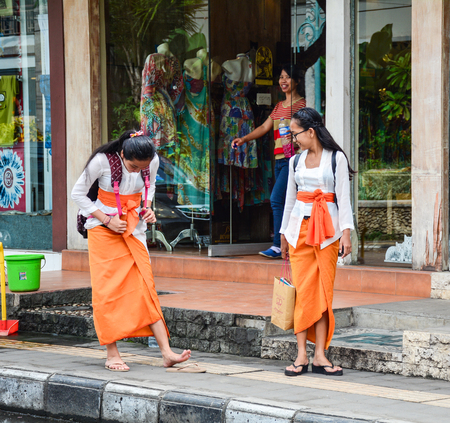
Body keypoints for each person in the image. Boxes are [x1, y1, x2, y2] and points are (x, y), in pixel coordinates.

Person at [71, 130, 192, 372]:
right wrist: (106, 220)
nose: (137, 171)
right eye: (133, 166)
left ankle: (167, 352)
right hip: (103, 229)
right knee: (108, 290)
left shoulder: (151, 161)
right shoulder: (102, 161)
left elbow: (151, 186)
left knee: (145, 285)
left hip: (133, 227)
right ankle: (111, 353)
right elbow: (78, 194)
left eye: (141, 168)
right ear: (123, 153)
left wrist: (147, 208)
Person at [280, 107, 355, 376]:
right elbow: (289, 200)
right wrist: (283, 236)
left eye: (295, 134)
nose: (293, 140)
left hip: (327, 235)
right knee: (303, 293)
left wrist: (347, 233)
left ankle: (320, 355)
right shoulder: (295, 162)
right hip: (299, 232)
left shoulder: (336, 159)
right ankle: (301, 354)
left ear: (310, 132)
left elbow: (344, 199)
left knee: (323, 295)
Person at [232, 64, 306, 259]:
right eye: (281, 77)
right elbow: (264, 128)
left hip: (293, 159)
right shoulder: (279, 107)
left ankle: (277, 245)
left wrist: (296, 139)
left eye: (287, 77)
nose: (283, 81)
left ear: (297, 81)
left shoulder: (303, 105)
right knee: (285, 201)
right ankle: (288, 244)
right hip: (279, 160)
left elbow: (309, 131)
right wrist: (244, 139)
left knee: (276, 199)